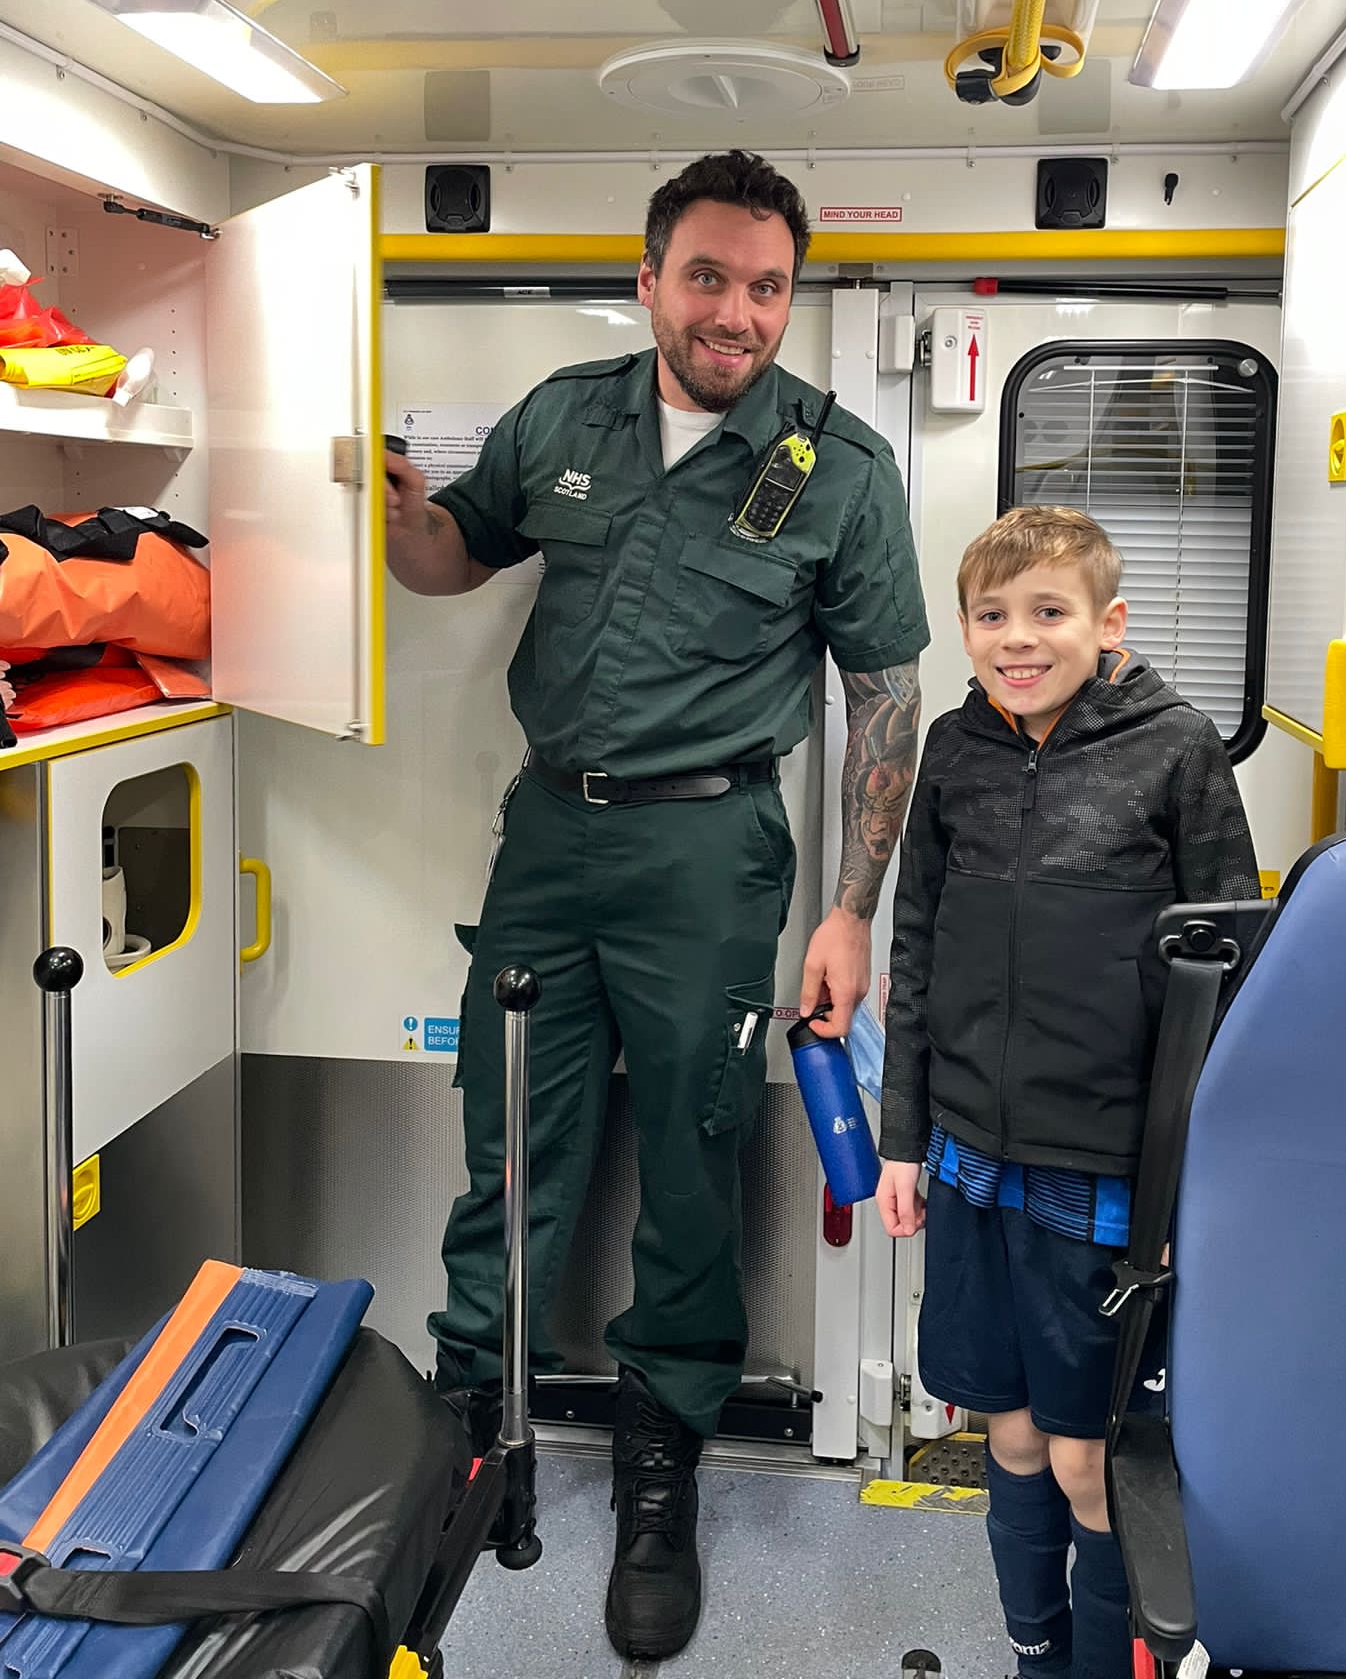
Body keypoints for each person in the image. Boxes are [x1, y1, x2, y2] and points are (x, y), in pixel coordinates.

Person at [384, 149, 928, 1662]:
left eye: (766, 286)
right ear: (649, 280)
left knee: (694, 1145)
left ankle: (659, 1458)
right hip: (548, 832)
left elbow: (886, 699)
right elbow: (453, 558)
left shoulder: (839, 467)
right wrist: (391, 513)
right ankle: (466, 1411)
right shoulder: (565, 415)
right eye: (708, 276)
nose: (736, 311)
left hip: (711, 848)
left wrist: (851, 909)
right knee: (509, 1124)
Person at [876, 505, 1257, 1679]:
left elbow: (1228, 979)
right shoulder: (954, 748)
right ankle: (1034, 1654)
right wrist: (902, 1137)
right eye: (991, 614)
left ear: (1109, 622)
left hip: (1102, 1171)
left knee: (1090, 1454)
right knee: (1011, 1432)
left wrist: (1196, 1186)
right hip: (969, 1158)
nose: (1018, 637)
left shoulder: (1177, 748)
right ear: (965, 628)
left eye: (1049, 611)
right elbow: (916, 946)